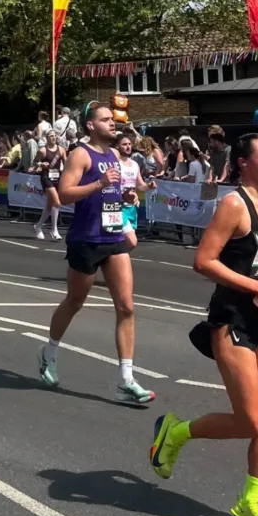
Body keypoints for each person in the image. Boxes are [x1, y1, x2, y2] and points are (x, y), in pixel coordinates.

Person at [149, 133, 258, 516]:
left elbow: (256, 255)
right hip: (232, 320)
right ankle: (176, 432)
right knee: (252, 420)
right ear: (244, 163)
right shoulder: (235, 203)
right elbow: (204, 261)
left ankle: (250, 503)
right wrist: (256, 287)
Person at [39, 102, 155, 404]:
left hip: (113, 235)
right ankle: (49, 351)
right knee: (75, 301)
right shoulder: (81, 154)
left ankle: (126, 378)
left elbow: (111, 192)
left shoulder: (114, 154)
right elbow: (64, 194)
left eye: (112, 119)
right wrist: (100, 183)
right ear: (91, 125)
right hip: (85, 239)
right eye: (105, 119)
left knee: (127, 306)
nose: (112, 123)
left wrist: (124, 194)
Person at [32, 130, 65, 240]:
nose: (54, 138)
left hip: (57, 177)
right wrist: (41, 164)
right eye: (51, 136)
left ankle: (38, 226)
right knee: (56, 202)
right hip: (46, 177)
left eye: (55, 136)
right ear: (46, 138)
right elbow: (34, 162)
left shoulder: (61, 150)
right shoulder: (42, 150)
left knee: (50, 205)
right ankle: (54, 229)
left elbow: (66, 164)